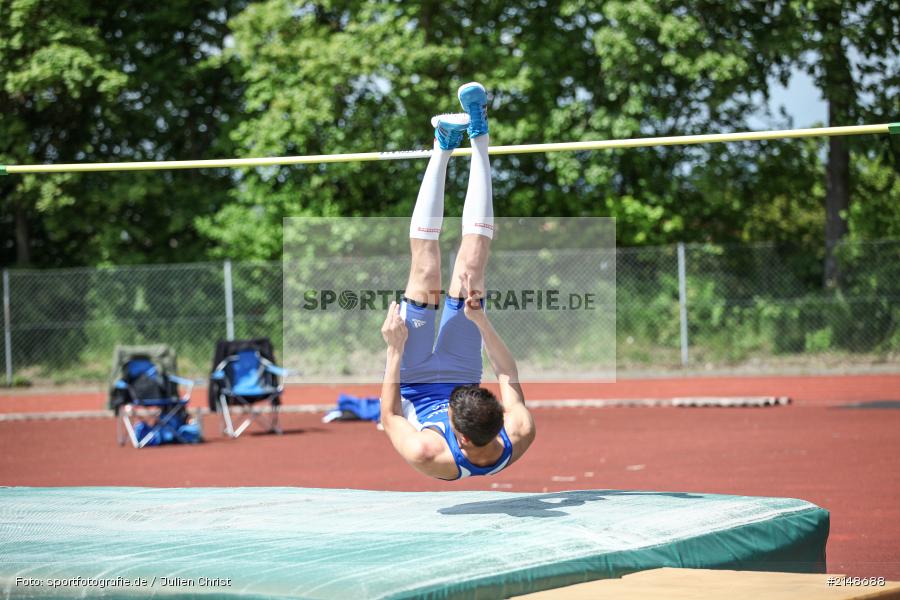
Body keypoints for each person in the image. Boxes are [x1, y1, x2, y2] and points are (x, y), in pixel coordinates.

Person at [379, 82, 536, 480]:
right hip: (461, 370)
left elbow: (390, 413)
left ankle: (442, 145)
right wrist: (480, 321)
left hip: (411, 379)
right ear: (499, 421)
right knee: (472, 269)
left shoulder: (427, 452)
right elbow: (506, 374)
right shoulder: (519, 431)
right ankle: (479, 135)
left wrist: (394, 350)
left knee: (425, 271)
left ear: (460, 439)